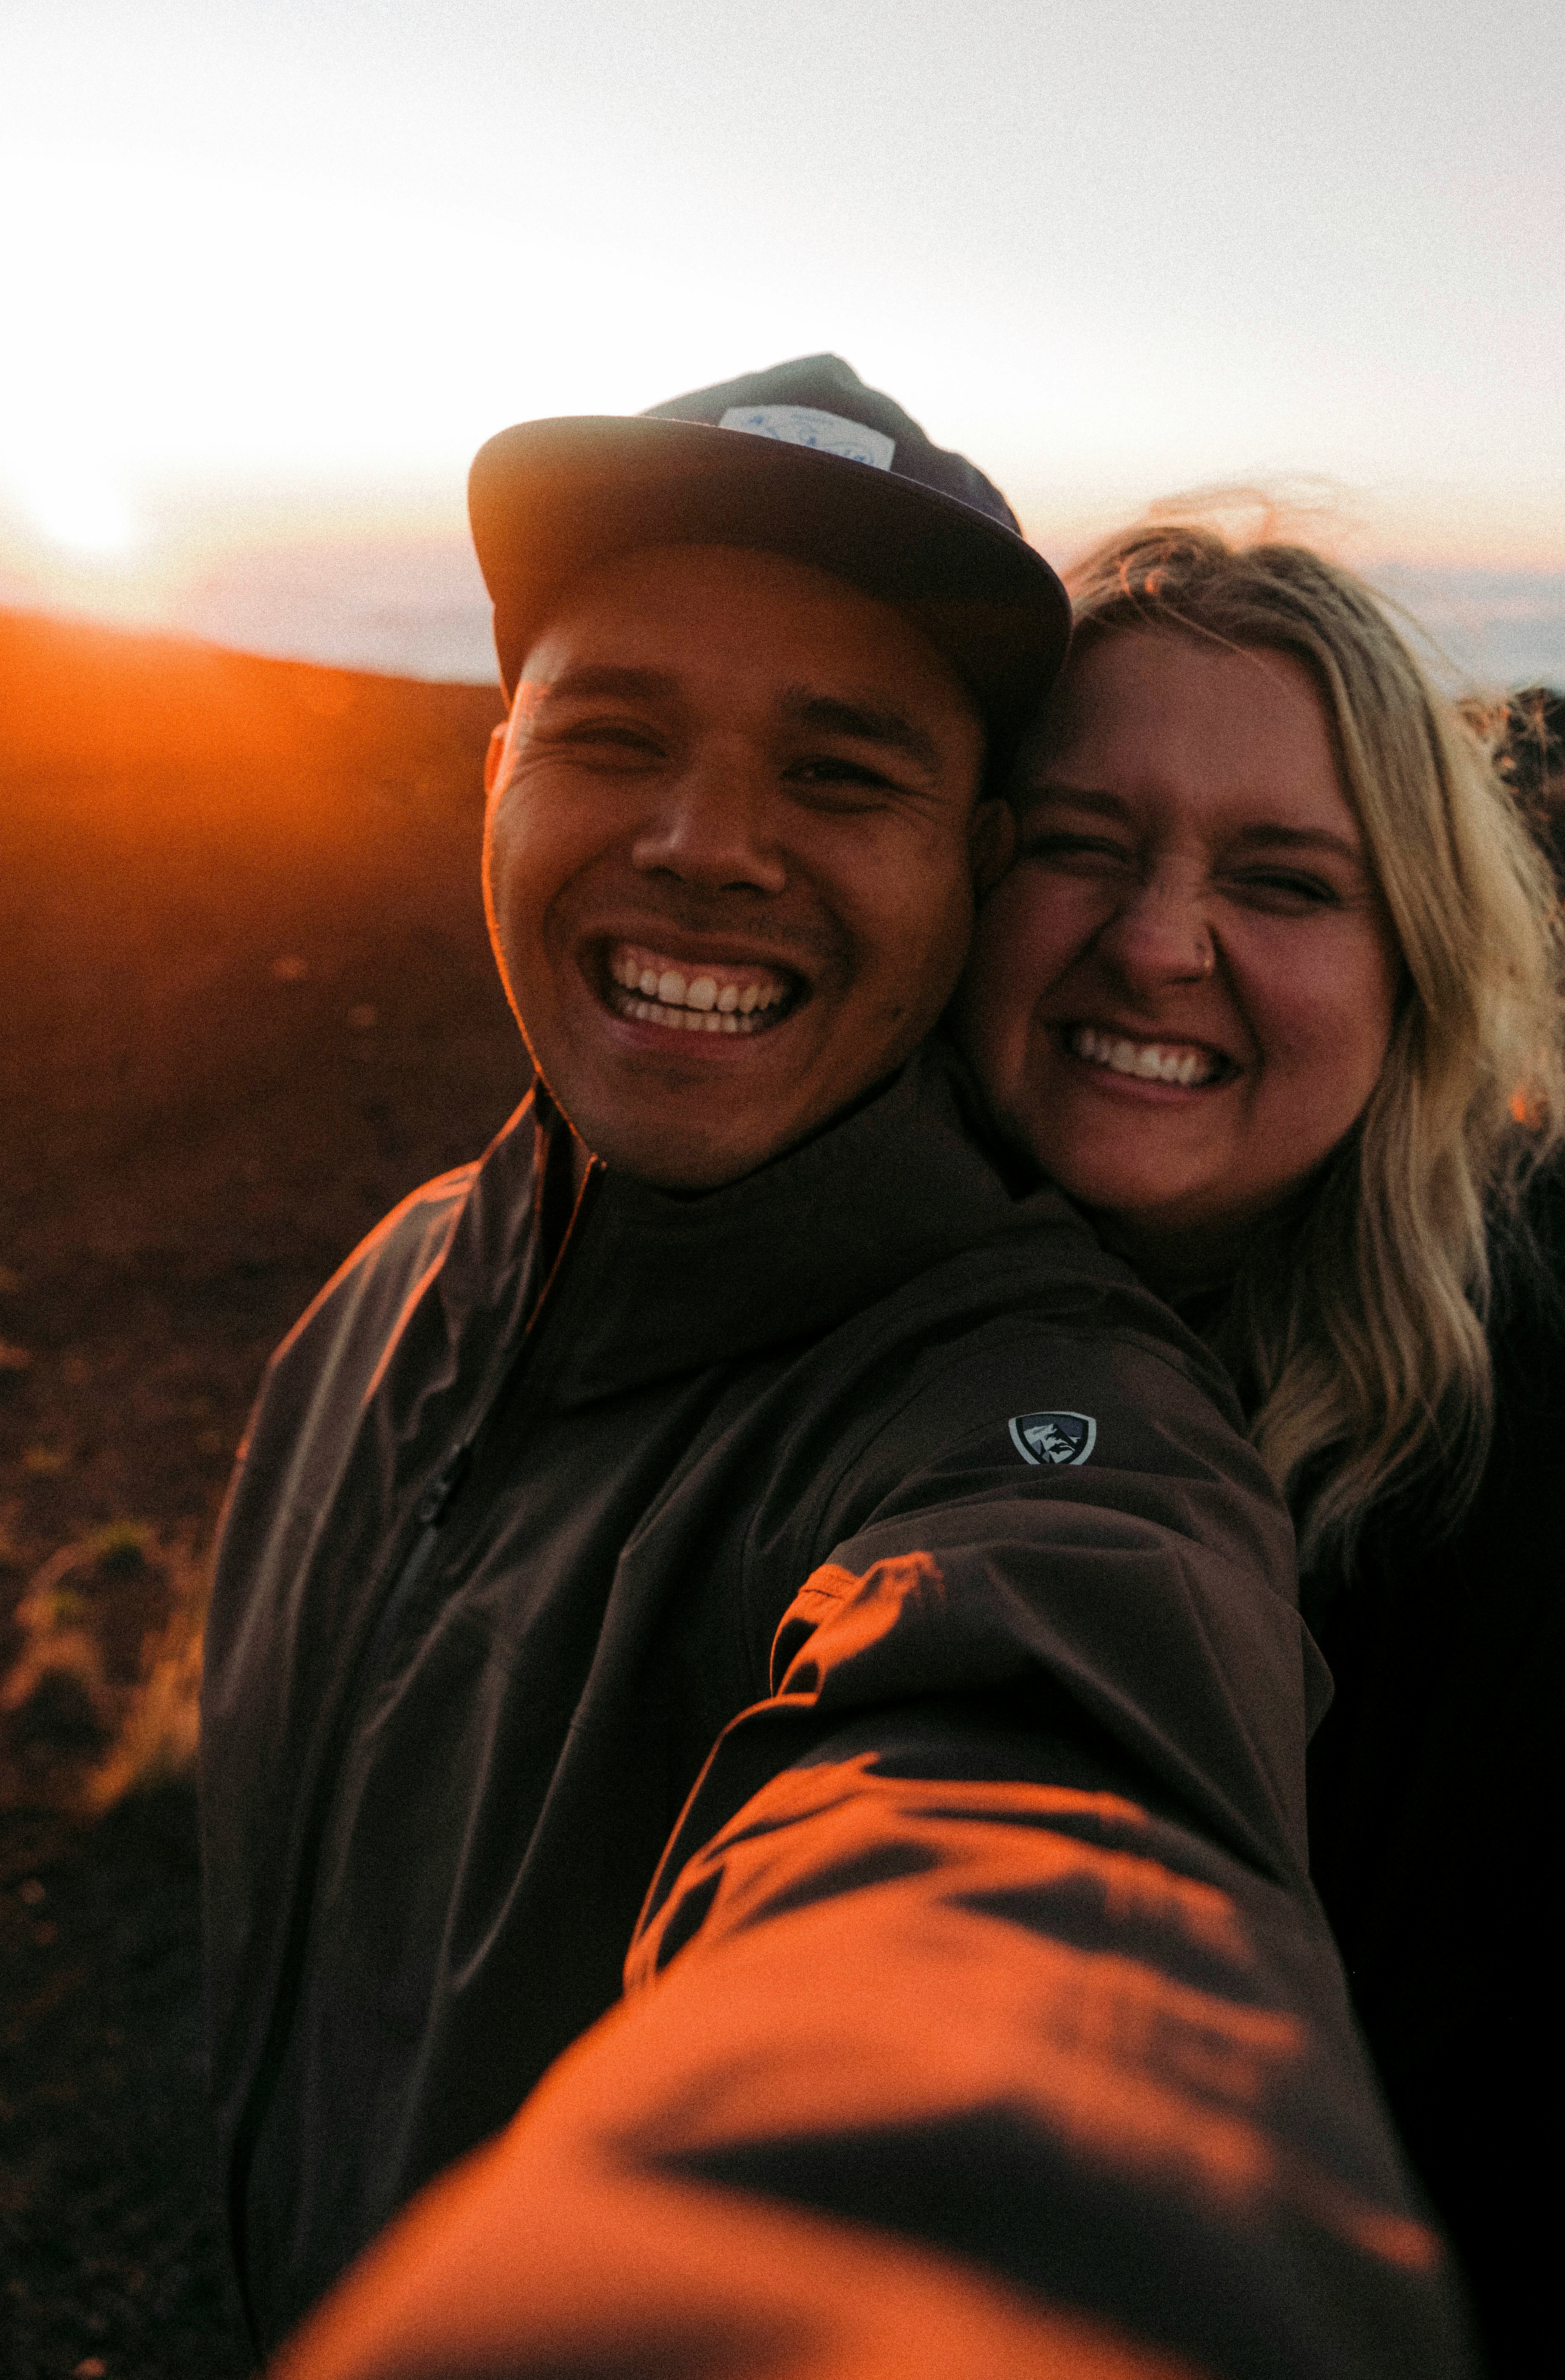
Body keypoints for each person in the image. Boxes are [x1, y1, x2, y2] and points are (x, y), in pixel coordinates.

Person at [203, 366, 1478, 2378]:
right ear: (494, 778)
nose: (707, 845)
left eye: (839, 773)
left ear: (965, 864)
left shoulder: (1044, 1421)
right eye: (615, 736)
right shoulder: (381, 1301)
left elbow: (1025, 1804)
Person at [955, 516, 1565, 2377]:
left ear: (1414, 964)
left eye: (1284, 881)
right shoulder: (822, 1337)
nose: (1157, 945)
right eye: (1082, 844)